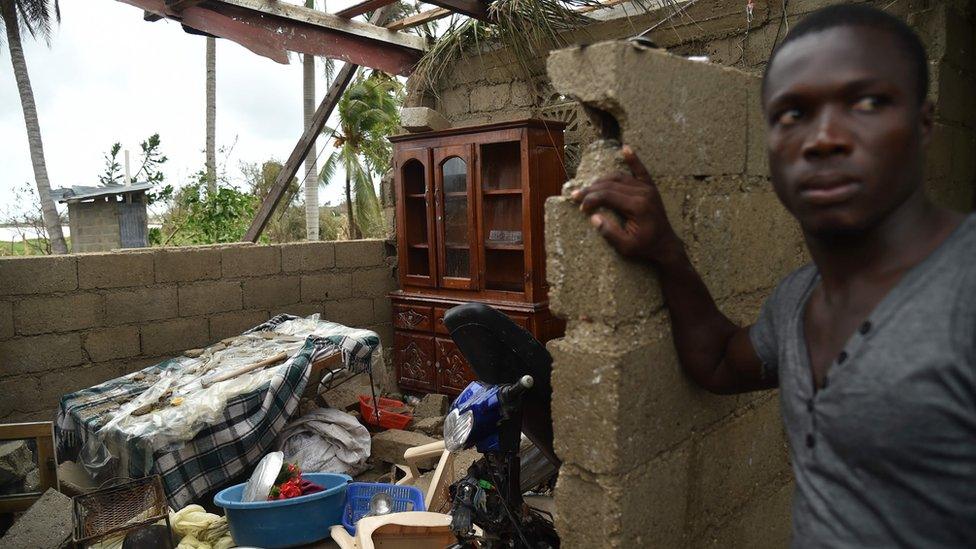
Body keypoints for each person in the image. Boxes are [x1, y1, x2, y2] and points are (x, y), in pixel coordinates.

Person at [571, 4, 975, 547]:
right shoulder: (799, 302)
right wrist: (667, 251)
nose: (824, 137)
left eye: (868, 102)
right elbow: (717, 362)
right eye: (793, 114)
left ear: (923, 126)